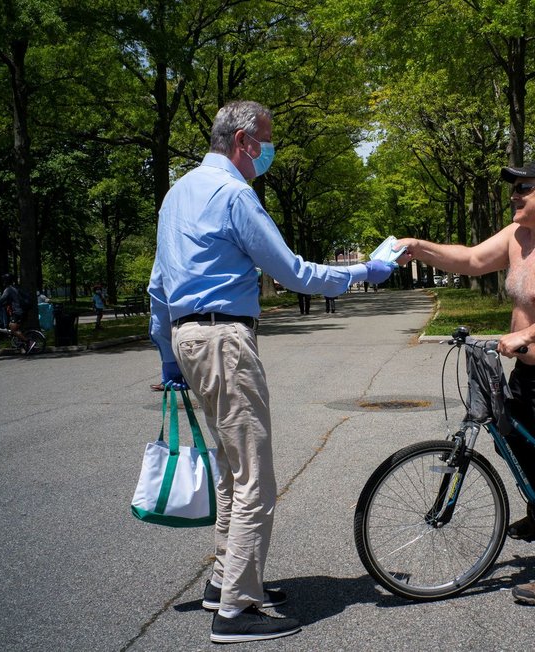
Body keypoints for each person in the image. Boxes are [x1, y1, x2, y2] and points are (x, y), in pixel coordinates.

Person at [147, 100, 393, 644]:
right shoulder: (235, 195)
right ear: (243, 141)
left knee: (234, 472)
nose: (270, 151)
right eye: (268, 140)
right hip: (225, 340)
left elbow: (158, 287)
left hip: (189, 339)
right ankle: (234, 612)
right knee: (255, 478)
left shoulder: (176, 194)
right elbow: (294, 272)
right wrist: (365, 272)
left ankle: (229, 581)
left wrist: (168, 355)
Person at [394, 159, 535, 606]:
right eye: (514, 187)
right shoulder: (518, 237)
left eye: (524, 187)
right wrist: (418, 246)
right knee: (517, 441)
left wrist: (527, 334)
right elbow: (471, 259)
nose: (514, 194)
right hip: (530, 368)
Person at [0, 274, 31, 351]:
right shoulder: (15, 288)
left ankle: (28, 342)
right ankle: (21, 344)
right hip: (23, 311)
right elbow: (8, 301)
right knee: (13, 326)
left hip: (18, 312)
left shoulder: (8, 289)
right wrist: (0, 305)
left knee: (13, 329)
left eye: (3, 281)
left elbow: (1, 300)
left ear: (5, 281)